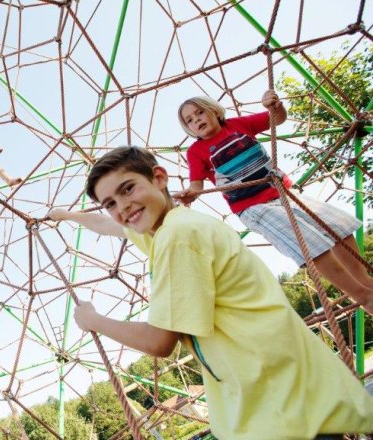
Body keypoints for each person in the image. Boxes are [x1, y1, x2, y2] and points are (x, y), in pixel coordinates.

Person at [61, 146, 373, 439]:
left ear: (159, 177)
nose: (122, 206)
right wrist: (64, 216)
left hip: (280, 406)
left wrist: (93, 319)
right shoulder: (173, 227)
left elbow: (158, 341)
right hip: (287, 398)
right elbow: (106, 225)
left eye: (127, 189)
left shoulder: (178, 236)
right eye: (111, 203)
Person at [174, 90, 373, 314]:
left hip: (282, 192)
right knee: (308, 241)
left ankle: (366, 283)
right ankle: (361, 294)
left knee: (336, 226)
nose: (197, 119)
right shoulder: (196, 151)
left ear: (214, 111)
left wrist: (274, 106)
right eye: (189, 120)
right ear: (188, 129)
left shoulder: (238, 125)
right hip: (252, 206)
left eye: (200, 112)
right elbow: (196, 185)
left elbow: (276, 119)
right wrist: (190, 194)